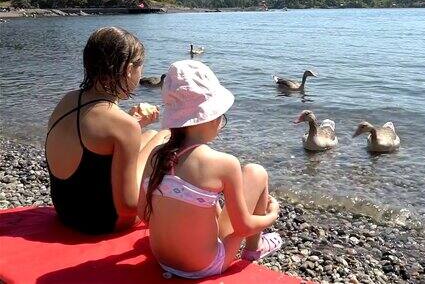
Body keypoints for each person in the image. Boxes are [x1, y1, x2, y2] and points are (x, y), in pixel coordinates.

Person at [138, 60, 282, 279]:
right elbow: (243, 227)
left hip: (162, 258)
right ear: (210, 117)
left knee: (206, 201)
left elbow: (144, 213)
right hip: (203, 266)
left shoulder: (156, 155)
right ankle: (255, 249)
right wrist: (273, 215)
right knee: (256, 171)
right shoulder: (223, 163)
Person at [45, 27, 169, 234]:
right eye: (141, 67)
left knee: (148, 134)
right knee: (164, 136)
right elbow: (128, 208)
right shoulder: (122, 124)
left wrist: (132, 124)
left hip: (66, 211)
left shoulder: (67, 100)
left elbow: (95, 139)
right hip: (103, 222)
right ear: (129, 69)